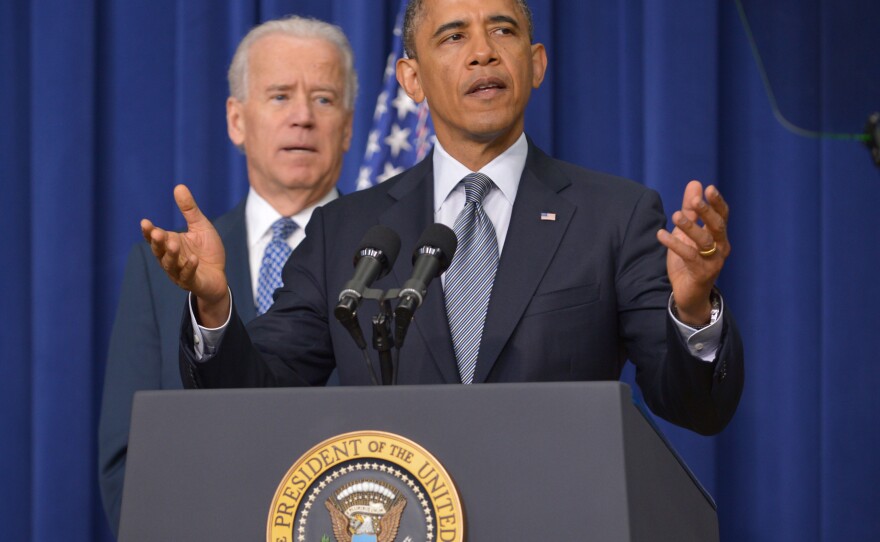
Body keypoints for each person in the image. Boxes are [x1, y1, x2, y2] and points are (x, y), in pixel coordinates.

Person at [143, 0, 743, 437]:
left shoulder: (615, 216)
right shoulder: (344, 234)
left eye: (502, 30)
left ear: (535, 64)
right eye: (453, 36)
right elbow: (257, 398)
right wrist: (216, 310)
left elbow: (696, 408)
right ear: (411, 79)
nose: (483, 50)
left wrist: (692, 312)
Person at [98, 15, 357, 535]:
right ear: (237, 121)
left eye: (324, 98)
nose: (303, 117)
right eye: (280, 96)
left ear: (348, 127)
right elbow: (128, 461)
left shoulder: (393, 260)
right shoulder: (159, 272)